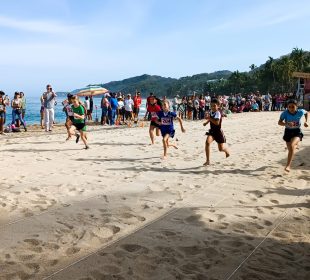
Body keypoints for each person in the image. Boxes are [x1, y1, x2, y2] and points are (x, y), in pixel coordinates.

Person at [278, 99, 308, 172]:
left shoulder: (300, 112)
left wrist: (306, 121)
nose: (291, 108)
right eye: (289, 107)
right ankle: (295, 146)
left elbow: (306, 113)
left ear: (296, 107)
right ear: (287, 107)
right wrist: (286, 124)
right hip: (288, 132)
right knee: (290, 149)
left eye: (293, 107)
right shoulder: (284, 113)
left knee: (292, 146)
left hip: (297, 132)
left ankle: (288, 166)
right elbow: (279, 122)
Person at [203, 98, 230, 166]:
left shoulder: (218, 113)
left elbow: (217, 122)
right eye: (211, 106)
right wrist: (206, 122)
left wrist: (209, 118)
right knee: (207, 143)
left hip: (218, 133)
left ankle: (226, 151)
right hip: (212, 132)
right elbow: (212, 118)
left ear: (218, 106)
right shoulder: (212, 112)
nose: (212, 107)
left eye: (214, 106)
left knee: (220, 149)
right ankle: (208, 161)